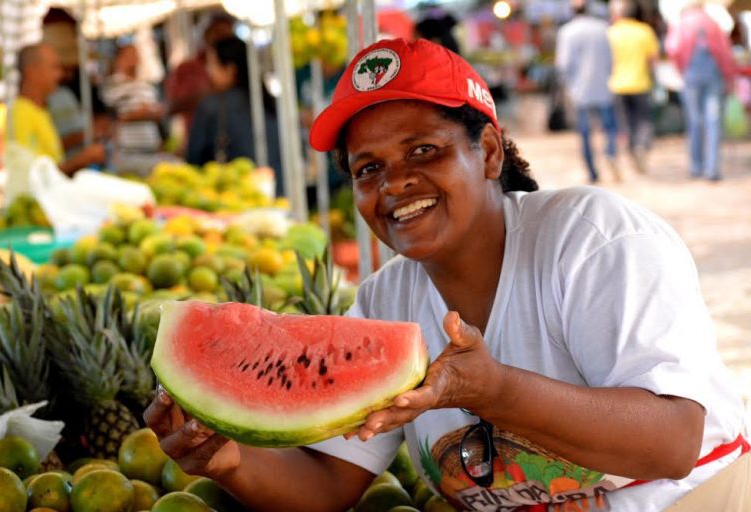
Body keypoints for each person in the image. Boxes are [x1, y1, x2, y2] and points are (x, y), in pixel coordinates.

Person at [144, 38, 748, 511]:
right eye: (367, 168)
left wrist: (494, 390)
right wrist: (227, 459)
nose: (394, 183)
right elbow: (328, 485)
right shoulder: (388, 299)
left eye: (423, 151)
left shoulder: (591, 239)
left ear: (487, 151)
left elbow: (672, 443)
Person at [0, 43, 106, 176]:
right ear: (32, 72)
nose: (60, 74)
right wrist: (81, 160)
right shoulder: (17, 113)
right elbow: (32, 177)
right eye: (54, 67)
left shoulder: (40, 110)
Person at [185, 37, 282, 178]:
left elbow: (193, 160)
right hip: (278, 192)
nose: (208, 71)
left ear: (230, 69)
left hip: (235, 193)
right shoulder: (270, 103)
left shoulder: (211, 107)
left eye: (211, 64)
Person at [665, 1, 736, 182]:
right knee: (713, 122)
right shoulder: (713, 23)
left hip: (691, 75)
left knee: (694, 120)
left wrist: (682, 69)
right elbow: (724, 53)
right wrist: (729, 77)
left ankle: (696, 166)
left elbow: (672, 48)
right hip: (714, 76)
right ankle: (712, 168)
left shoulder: (680, 24)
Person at [555, 0, 620, 183]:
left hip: (579, 90)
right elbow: (611, 57)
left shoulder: (566, 32)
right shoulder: (602, 28)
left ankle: (592, 171)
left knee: (584, 132)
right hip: (603, 86)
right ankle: (610, 152)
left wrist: (566, 86)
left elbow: (563, 64)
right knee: (609, 126)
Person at [607, 0, 660, 174]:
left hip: (617, 84)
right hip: (641, 83)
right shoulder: (644, 31)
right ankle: (641, 146)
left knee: (624, 123)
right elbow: (653, 60)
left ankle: (628, 151)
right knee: (643, 121)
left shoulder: (610, 33)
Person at [165, 14, 235, 141]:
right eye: (217, 33)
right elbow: (171, 107)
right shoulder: (187, 68)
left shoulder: (240, 70)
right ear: (206, 35)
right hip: (199, 140)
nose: (221, 39)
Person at [101, 44, 164, 175]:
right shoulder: (113, 84)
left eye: (136, 54)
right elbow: (113, 115)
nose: (135, 58)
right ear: (120, 58)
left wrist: (146, 112)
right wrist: (140, 113)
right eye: (130, 54)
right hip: (128, 150)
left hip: (150, 146)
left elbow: (156, 112)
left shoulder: (145, 85)